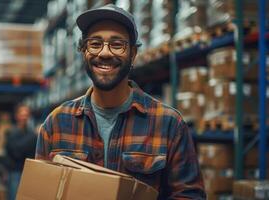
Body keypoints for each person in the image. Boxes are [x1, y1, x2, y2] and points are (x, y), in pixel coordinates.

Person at [36, 4, 206, 199]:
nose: (105, 53)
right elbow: (42, 192)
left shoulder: (168, 124)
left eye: (117, 44)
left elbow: (189, 196)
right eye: (95, 44)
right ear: (83, 51)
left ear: (133, 54)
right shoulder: (56, 123)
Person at [4, 103, 38, 200]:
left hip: (28, 172)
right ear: (17, 116)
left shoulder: (30, 133)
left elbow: (33, 152)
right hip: (15, 173)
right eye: (22, 115)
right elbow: (17, 152)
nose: (24, 117)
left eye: (26, 115)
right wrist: (33, 137)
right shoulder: (10, 132)